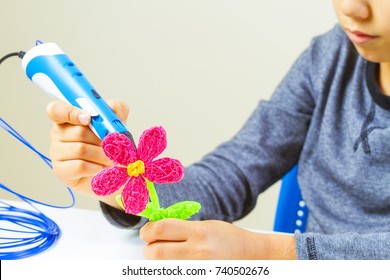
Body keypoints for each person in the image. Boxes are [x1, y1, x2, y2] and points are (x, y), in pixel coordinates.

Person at [46, 0, 390, 259]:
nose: (351, 8)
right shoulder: (330, 56)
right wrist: (124, 186)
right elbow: (232, 173)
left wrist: (267, 252)